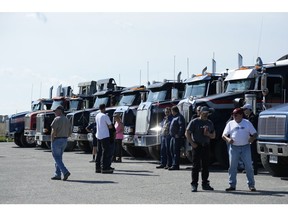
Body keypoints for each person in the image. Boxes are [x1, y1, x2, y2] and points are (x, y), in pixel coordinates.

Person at [222, 108, 257, 192]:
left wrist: (252, 138)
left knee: (248, 166)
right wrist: (228, 139)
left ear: (241, 115)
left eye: (236, 115)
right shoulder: (230, 123)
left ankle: (251, 185)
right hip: (234, 147)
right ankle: (232, 185)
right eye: (233, 115)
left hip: (245, 147)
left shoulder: (247, 123)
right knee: (232, 167)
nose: (234, 116)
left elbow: (255, 133)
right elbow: (224, 135)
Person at [185, 106, 216, 192]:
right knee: (196, 166)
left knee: (205, 166)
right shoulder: (195, 122)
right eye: (204, 113)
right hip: (197, 145)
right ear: (200, 113)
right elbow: (187, 132)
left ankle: (205, 183)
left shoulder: (209, 122)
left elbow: (213, 135)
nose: (206, 115)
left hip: (205, 145)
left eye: (207, 113)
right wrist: (192, 143)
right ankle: (194, 184)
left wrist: (208, 134)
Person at [50, 105, 72, 181]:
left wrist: (52, 140)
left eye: (56, 111)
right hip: (64, 140)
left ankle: (65, 172)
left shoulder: (57, 119)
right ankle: (57, 174)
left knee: (57, 158)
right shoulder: (67, 119)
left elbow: (53, 131)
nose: (55, 112)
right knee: (59, 158)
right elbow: (70, 132)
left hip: (57, 139)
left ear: (60, 111)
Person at [95, 104, 114, 174]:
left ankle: (98, 167)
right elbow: (110, 126)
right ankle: (105, 167)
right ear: (104, 108)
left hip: (98, 135)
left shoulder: (97, 115)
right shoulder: (105, 116)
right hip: (105, 135)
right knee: (105, 152)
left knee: (99, 152)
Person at [241, 103, 259, 175]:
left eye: (245, 109)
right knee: (249, 154)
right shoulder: (248, 117)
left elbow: (252, 129)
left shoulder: (253, 118)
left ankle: (254, 170)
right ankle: (249, 168)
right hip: (249, 138)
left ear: (249, 109)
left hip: (252, 138)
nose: (244, 111)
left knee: (253, 154)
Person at [168, 106, 185, 170]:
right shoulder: (174, 117)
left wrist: (179, 134)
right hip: (172, 137)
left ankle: (176, 165)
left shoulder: (179, 117)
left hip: (177, 137)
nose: (171, 112)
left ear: (174, 111)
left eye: (172, 111)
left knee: (176, 151)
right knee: (171, 150)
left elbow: (181, 126)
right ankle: (173, 163)